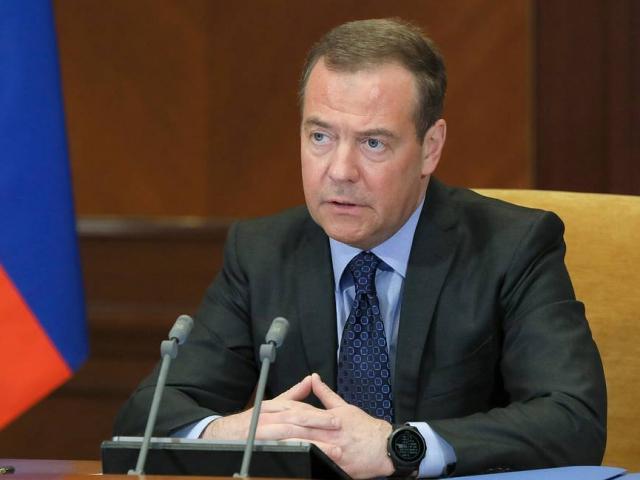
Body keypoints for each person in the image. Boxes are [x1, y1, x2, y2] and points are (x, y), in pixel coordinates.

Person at [114, 18, 606, 478]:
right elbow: (147, 415)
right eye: (320, 136)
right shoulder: (262, 253)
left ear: (430, 147)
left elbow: (573, 421)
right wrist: (228, 433)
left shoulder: (510, 248)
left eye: (373, 143)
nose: (340, 171)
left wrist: (400, 447)